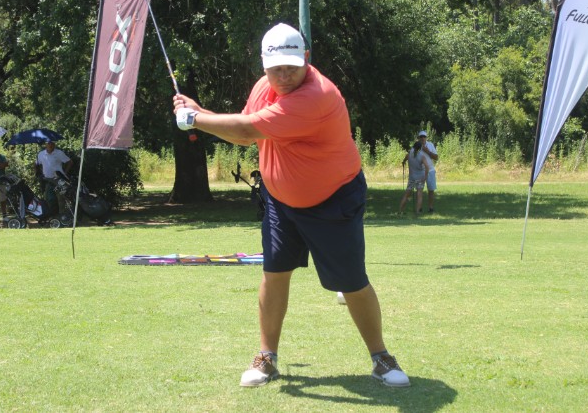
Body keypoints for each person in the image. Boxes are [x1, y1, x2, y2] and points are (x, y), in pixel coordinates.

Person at [172, 23, 410, 388]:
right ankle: (267, 357)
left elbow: (246, 130)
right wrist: (200, 111)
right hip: (280, 201)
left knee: (351, 282)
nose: (283, 76)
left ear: (306, 59)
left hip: (334, 199)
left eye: (291, 67)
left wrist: (193, 119)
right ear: (263, 65)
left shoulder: (317, 96)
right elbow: (245, 133)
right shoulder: (263, 88)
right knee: (274, 273)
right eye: (275, 68)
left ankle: (381, 357)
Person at [35, 140, 72, 217]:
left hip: (58, 179)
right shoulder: (41, 154)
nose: (50, 145)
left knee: (61, 198)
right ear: (46, 144)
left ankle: (62, 216)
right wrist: (38, 173)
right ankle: (52, 216)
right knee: (49, 198)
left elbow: (70, 162)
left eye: (52, 143)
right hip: (47, 180)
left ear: (54, 144)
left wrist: (65, 173)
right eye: (49, 143)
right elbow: (36, 164)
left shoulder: (59, 153)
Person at [399, 141, 430, 214]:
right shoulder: (422, 156)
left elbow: (404, 161)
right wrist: (425, 177)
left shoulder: (409, 154)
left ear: (413, 146)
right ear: (420, 148)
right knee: (419, 195)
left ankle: (400, 211)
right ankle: (417, 211)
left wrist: (404, 163)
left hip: (411, 178)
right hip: (420, 178)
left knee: (406, 195)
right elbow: (427, 167)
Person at [417, 131, 438, 212]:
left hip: (430, 170)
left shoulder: (430, 145)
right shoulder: (416, 146)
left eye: (424, 136)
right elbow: (412, 157)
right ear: (419, 138)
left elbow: (436, 157)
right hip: (420, 171)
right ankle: (419, 208)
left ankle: (430, 207)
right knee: (419, 190)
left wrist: (428, 151)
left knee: (431, 190)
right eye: (421, 137)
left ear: (426, 137)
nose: (423, 138)